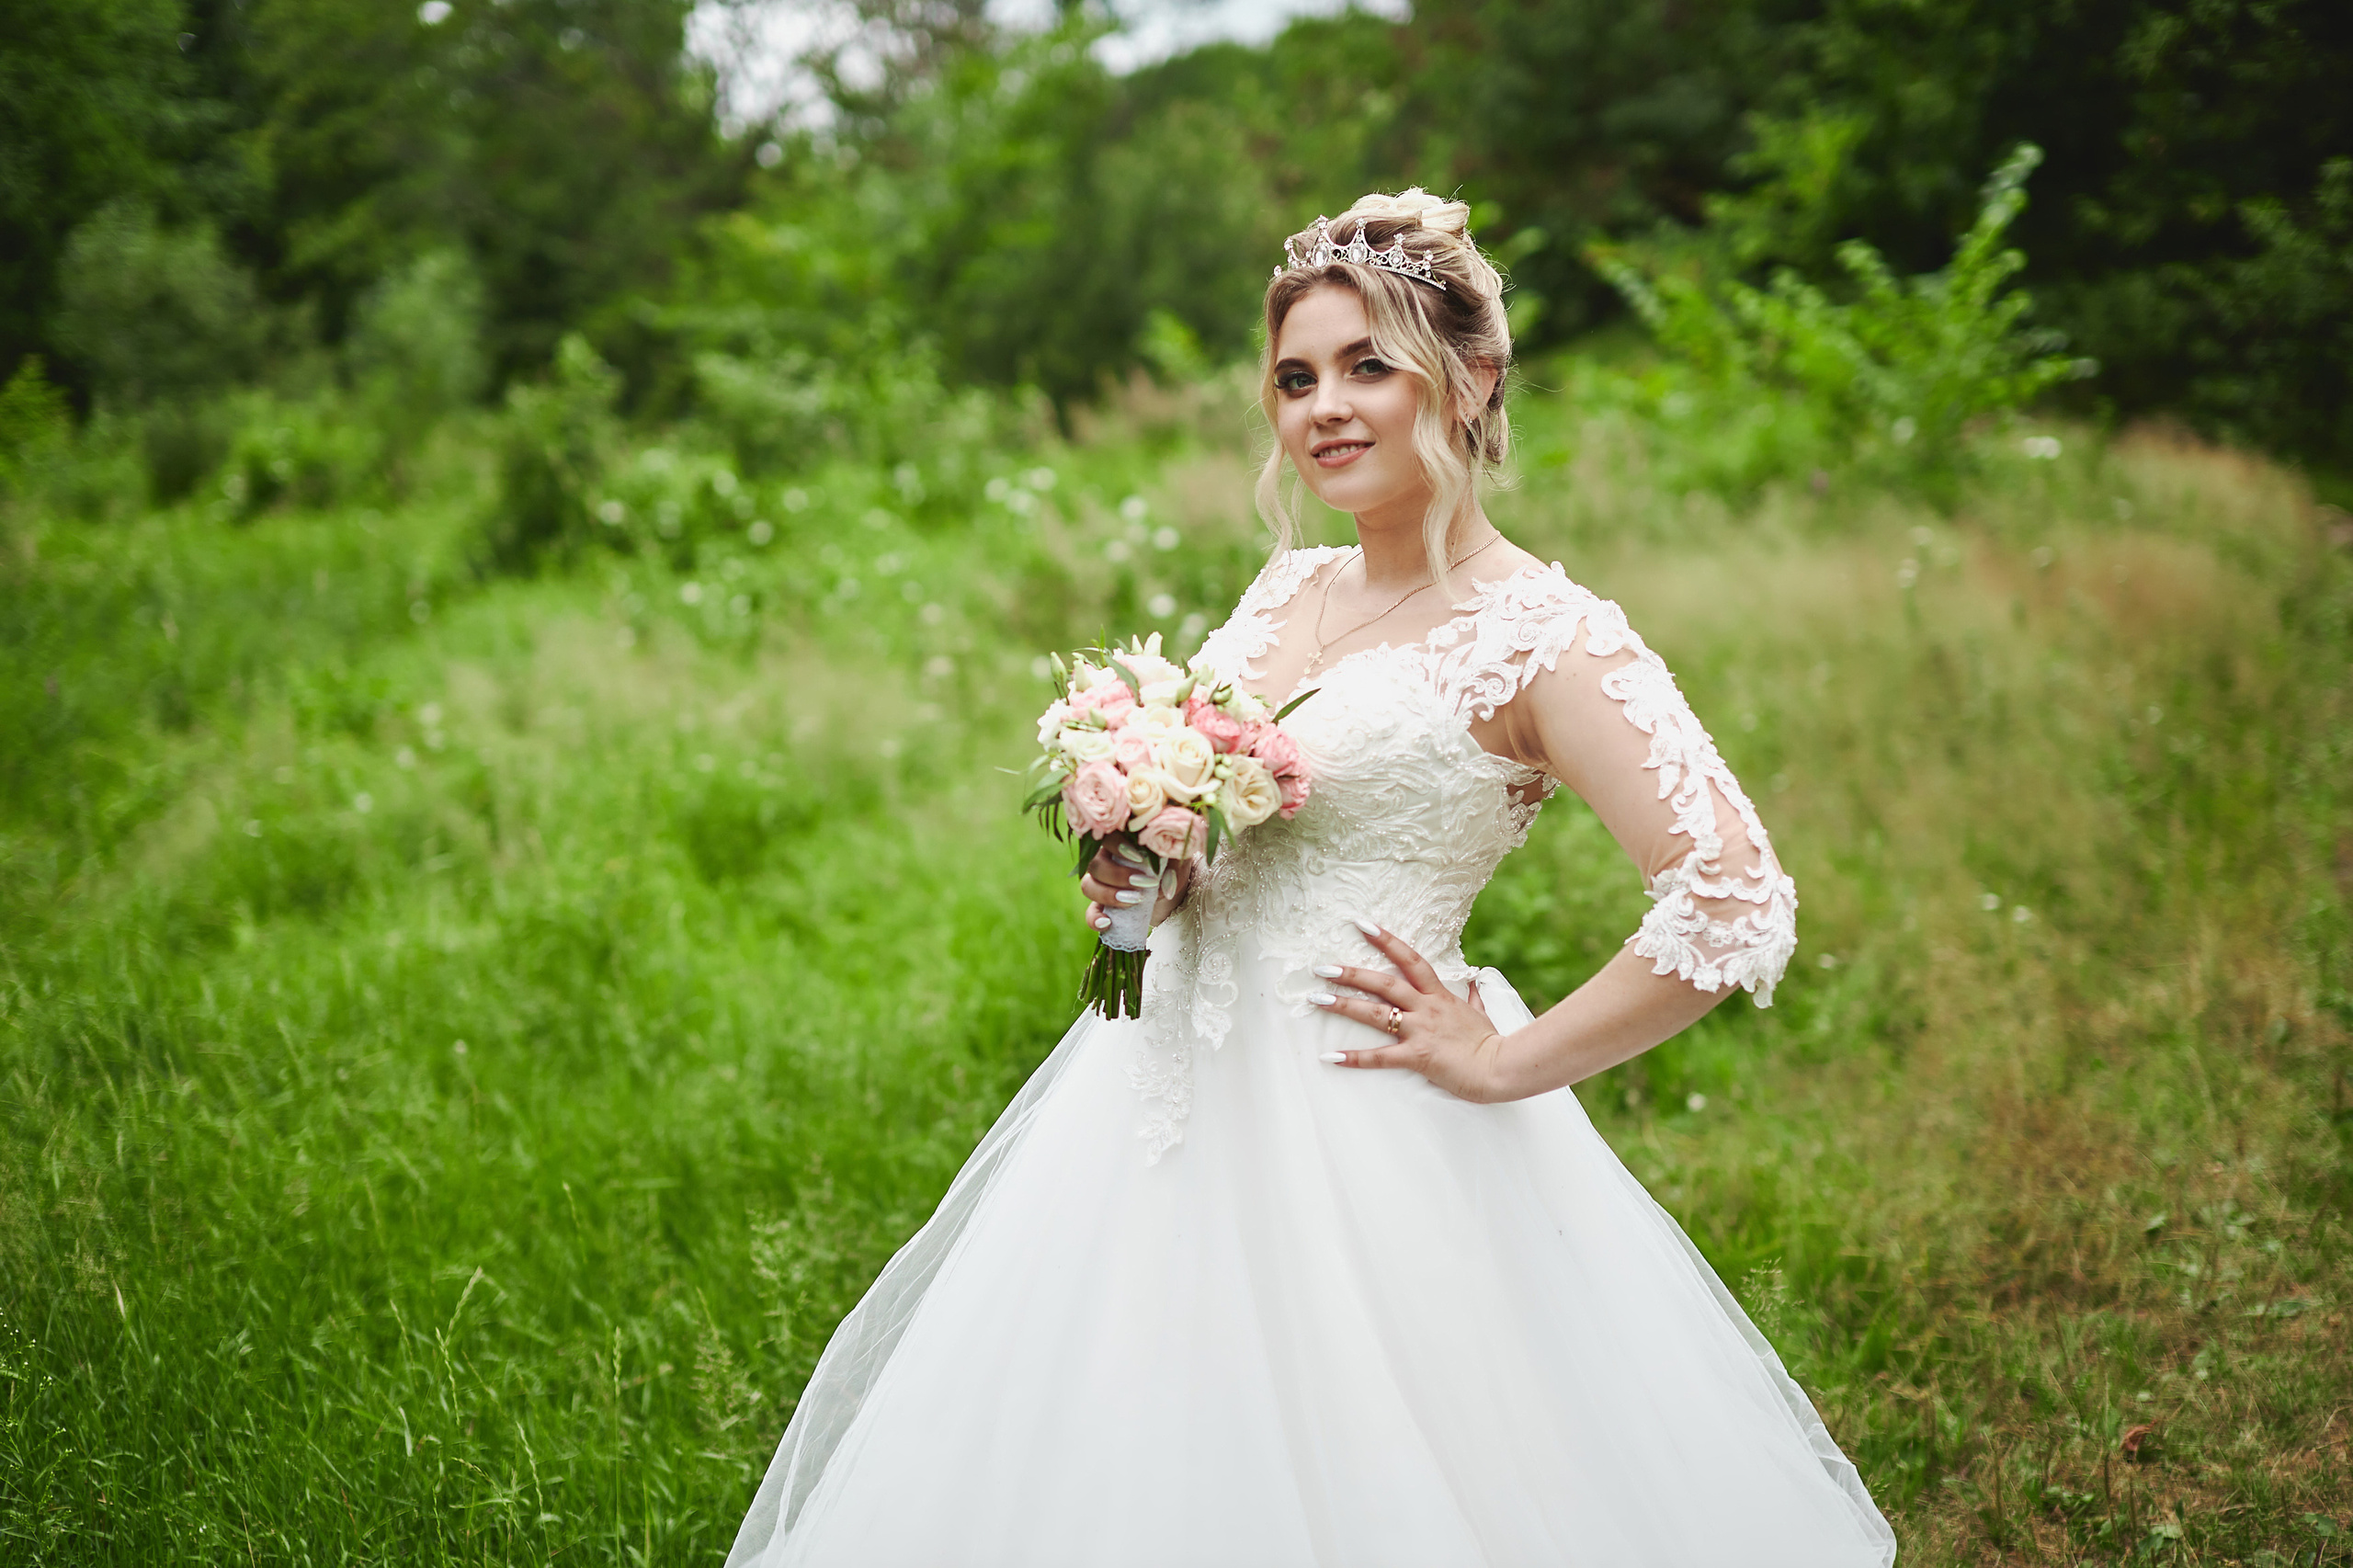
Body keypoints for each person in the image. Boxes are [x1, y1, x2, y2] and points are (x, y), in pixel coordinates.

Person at [725, 190, 1897, 1567]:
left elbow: (1734, 894)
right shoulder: (1289, 593)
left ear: (1467, 379)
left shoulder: (1544, 638)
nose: (1324, 407)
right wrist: (1143, 868)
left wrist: (1514, 1057)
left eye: (1367, 366)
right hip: (1157, 1096)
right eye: (1296, 377)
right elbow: (1225, 831)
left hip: (1365, 1116)